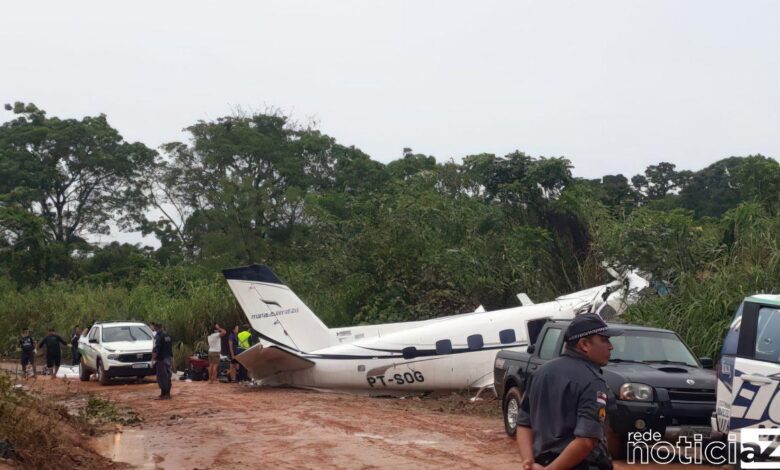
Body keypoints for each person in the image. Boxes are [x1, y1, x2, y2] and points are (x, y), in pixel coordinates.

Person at [516, 314, 622, 470]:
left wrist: (528, 462)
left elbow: (523, 423)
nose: (610, 346)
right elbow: (586, 440)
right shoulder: (592, 381)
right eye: (604, 340)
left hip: (542, 462)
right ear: (584, 344)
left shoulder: (541, 373)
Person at [152, 322, 173, 399]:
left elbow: (156, 348)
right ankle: (167, 393)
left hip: (161, 359)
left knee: (162, 376)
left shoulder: (159, 336)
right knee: (167, 375)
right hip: (168, 358)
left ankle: (164, 394)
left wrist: (153, 358)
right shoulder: (167, 335)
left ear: (155, 327)